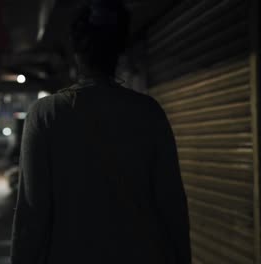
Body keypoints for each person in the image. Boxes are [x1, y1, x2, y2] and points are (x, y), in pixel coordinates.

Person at [10, 1, 191, 263]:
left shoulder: (46, 114)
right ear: (119, 51)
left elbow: (31, 214)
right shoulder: (149, 112)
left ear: (76, 53)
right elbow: (172, 204)